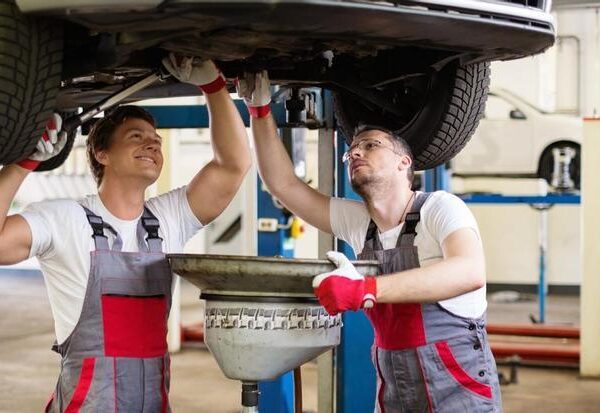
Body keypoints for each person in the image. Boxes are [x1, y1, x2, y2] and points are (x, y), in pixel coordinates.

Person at [236, 71, 502, 412]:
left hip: (458, 394)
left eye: (371, 145)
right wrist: (259, 111)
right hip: (393, 390)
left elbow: (469, 272)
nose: (356, 152)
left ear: (404, 163)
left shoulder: (440, 207)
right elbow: (284, 186)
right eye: (352, 150)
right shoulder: (362, 224)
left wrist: (366, 289)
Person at [0, 54, 251, 412]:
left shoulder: (168, 218)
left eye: (156, 140)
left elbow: (233, 165)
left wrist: (213, 86)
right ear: (102, 154)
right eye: (137, 137)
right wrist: (23, 164)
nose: (152, 145)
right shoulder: (64, 218)